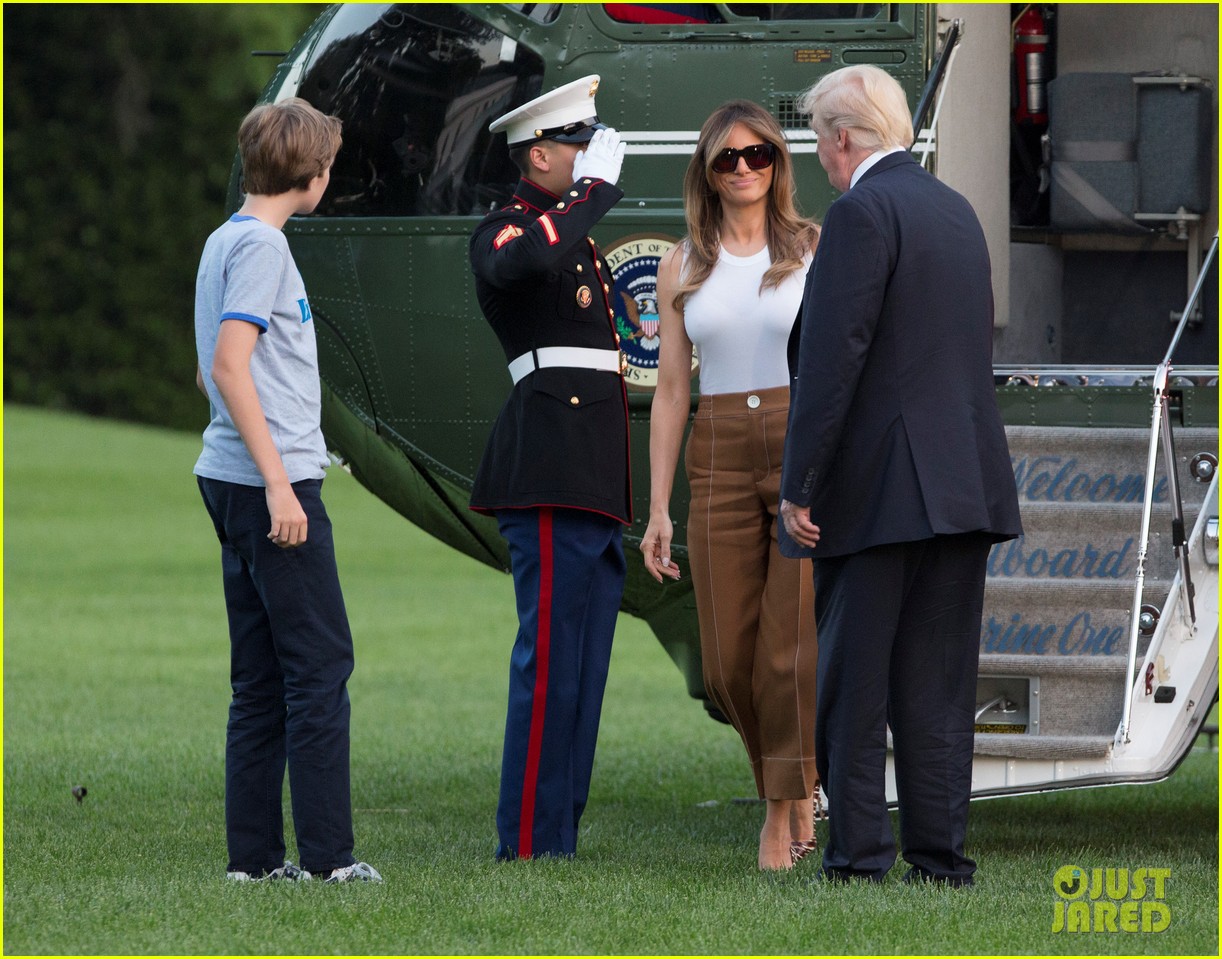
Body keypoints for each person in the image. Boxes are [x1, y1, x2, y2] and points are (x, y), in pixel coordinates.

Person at [779, 65, 1023, 885]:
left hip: (880, 488)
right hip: (964, 486)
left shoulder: (859, 213)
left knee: (856, 687)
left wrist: (800, 483)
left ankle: (856, 855)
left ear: (845, 138)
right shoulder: (956, 212)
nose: (819, 157)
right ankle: (941, 853)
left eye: (819, 140)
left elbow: (833, 361)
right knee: (940, 688)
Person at [193, 98, 380, 884]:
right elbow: (231, 364)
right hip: (272, 487)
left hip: (226, 477)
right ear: (314, 175)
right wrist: (280, 485)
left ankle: (255, 862)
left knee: (263, 676)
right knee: (319, 667)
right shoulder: (264, 248)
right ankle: (331, 862)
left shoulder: (225, 238)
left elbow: (213, 368)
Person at [640, 100, 821, 871]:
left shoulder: (813, 249)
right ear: (707, 173)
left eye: (759, 156)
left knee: (786, 648)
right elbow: (672, 389)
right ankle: (793, 778)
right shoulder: (682, 263)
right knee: (723, 661)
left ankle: (780, 810)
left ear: (779, 165)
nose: (744, 169)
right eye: (728, 159)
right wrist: (657, 509)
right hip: (714, 449)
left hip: (797, 445)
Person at [468, 75, 630, 860]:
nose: (589, 153)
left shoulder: (574, 235)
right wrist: (594, 190)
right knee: (550, 665)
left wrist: (586, 199)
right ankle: (528, 842)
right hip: (546, 468)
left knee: (585, 671)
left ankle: (558, 833)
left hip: (591, 476)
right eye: (577, 142)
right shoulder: (508, 227)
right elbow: (517, 265)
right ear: (540, 153)